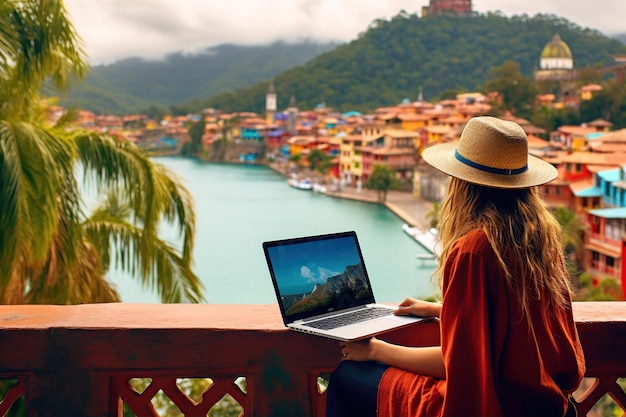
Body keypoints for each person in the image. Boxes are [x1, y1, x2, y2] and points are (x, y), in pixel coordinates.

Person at [325, 116, 586, 417]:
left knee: (346, 378)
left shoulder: (474, 250)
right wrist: (442, 310)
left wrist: (375, 350)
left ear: (462, 183)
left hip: (492, 404)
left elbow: (457, 364)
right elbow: (512, 321)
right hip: (543, 403)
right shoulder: (542, 241)